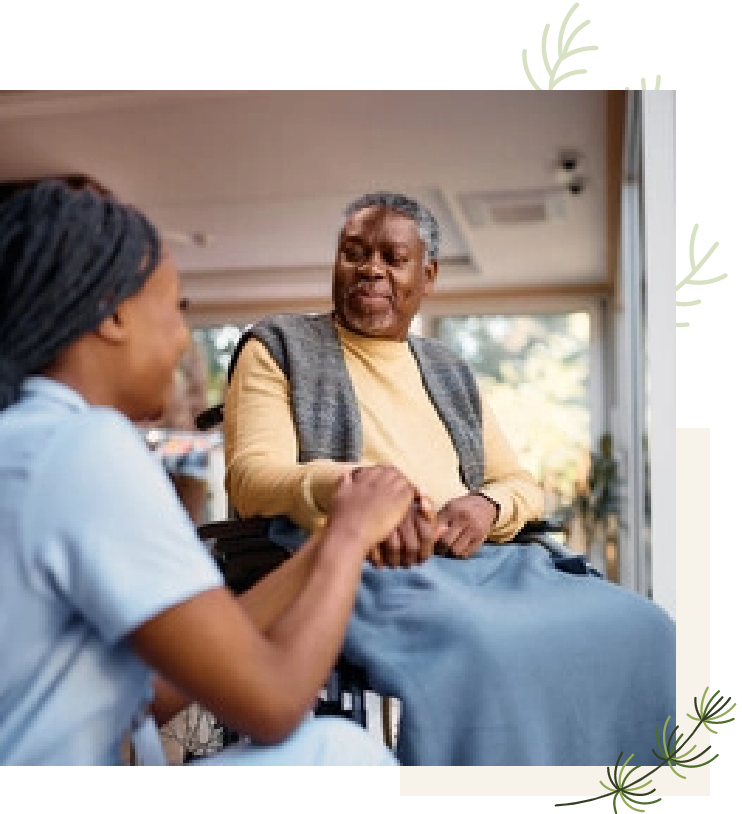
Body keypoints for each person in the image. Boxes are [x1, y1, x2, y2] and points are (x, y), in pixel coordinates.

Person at [222, 191, 676, 766]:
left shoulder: (448, 370)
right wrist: (362, 493)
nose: (371, 270)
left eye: (392, 257)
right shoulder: (279, 346)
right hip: (370, 561)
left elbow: (518, 482)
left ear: (427, 275)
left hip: (480, 561)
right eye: (354, 253)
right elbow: (252, 478)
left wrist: (486, 505)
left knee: (646, 627)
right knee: (489, 649)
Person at [0, 180, 415, 766]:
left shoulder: (25, 439)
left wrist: (325, 542)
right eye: (174, 309)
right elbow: (271, 702)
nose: (181, 342)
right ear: (112, 314)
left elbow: (156, 691)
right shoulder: (82, 448)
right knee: (338, 752)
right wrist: (351, 536)